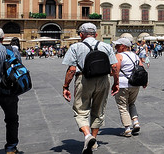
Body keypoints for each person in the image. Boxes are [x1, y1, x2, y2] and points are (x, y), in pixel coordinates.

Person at [62, 23, 119, 154]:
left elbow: (71, 69)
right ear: (96, 34)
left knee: (80, 110)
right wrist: (116, 82)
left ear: (81, 34)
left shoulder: (75, 47)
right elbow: (115, 67)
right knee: (99, 111)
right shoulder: (106, 46)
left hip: (84, 79)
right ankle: (93, 141)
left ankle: (88, 136)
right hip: (104, 80)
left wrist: (66, 86)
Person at [113, 37, 145, 137]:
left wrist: (115, 83)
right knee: (131, 103)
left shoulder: (119, 56)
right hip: (135, 84)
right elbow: (141, 68)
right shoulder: (135, 55)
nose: (116, 47)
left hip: (123, 84)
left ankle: (127, 128)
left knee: (122, 106)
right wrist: (144, 81)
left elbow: (115, 69)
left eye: (117, 45)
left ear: (123, 47)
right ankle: (135, 122)